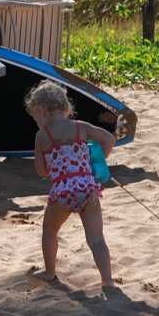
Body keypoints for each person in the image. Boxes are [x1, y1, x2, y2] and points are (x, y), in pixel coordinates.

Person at [24, 79, 117, 288]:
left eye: (34, 117)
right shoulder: (81, 127)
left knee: (49, 230)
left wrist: (56, 165)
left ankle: (49, 272)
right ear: (66, 108)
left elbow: (41, 170)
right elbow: (109, 139)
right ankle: (107, 280)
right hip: (87, 188)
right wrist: (97, 161)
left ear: (39, 111)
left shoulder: (42, 136)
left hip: (63, 191)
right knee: (97, 239)